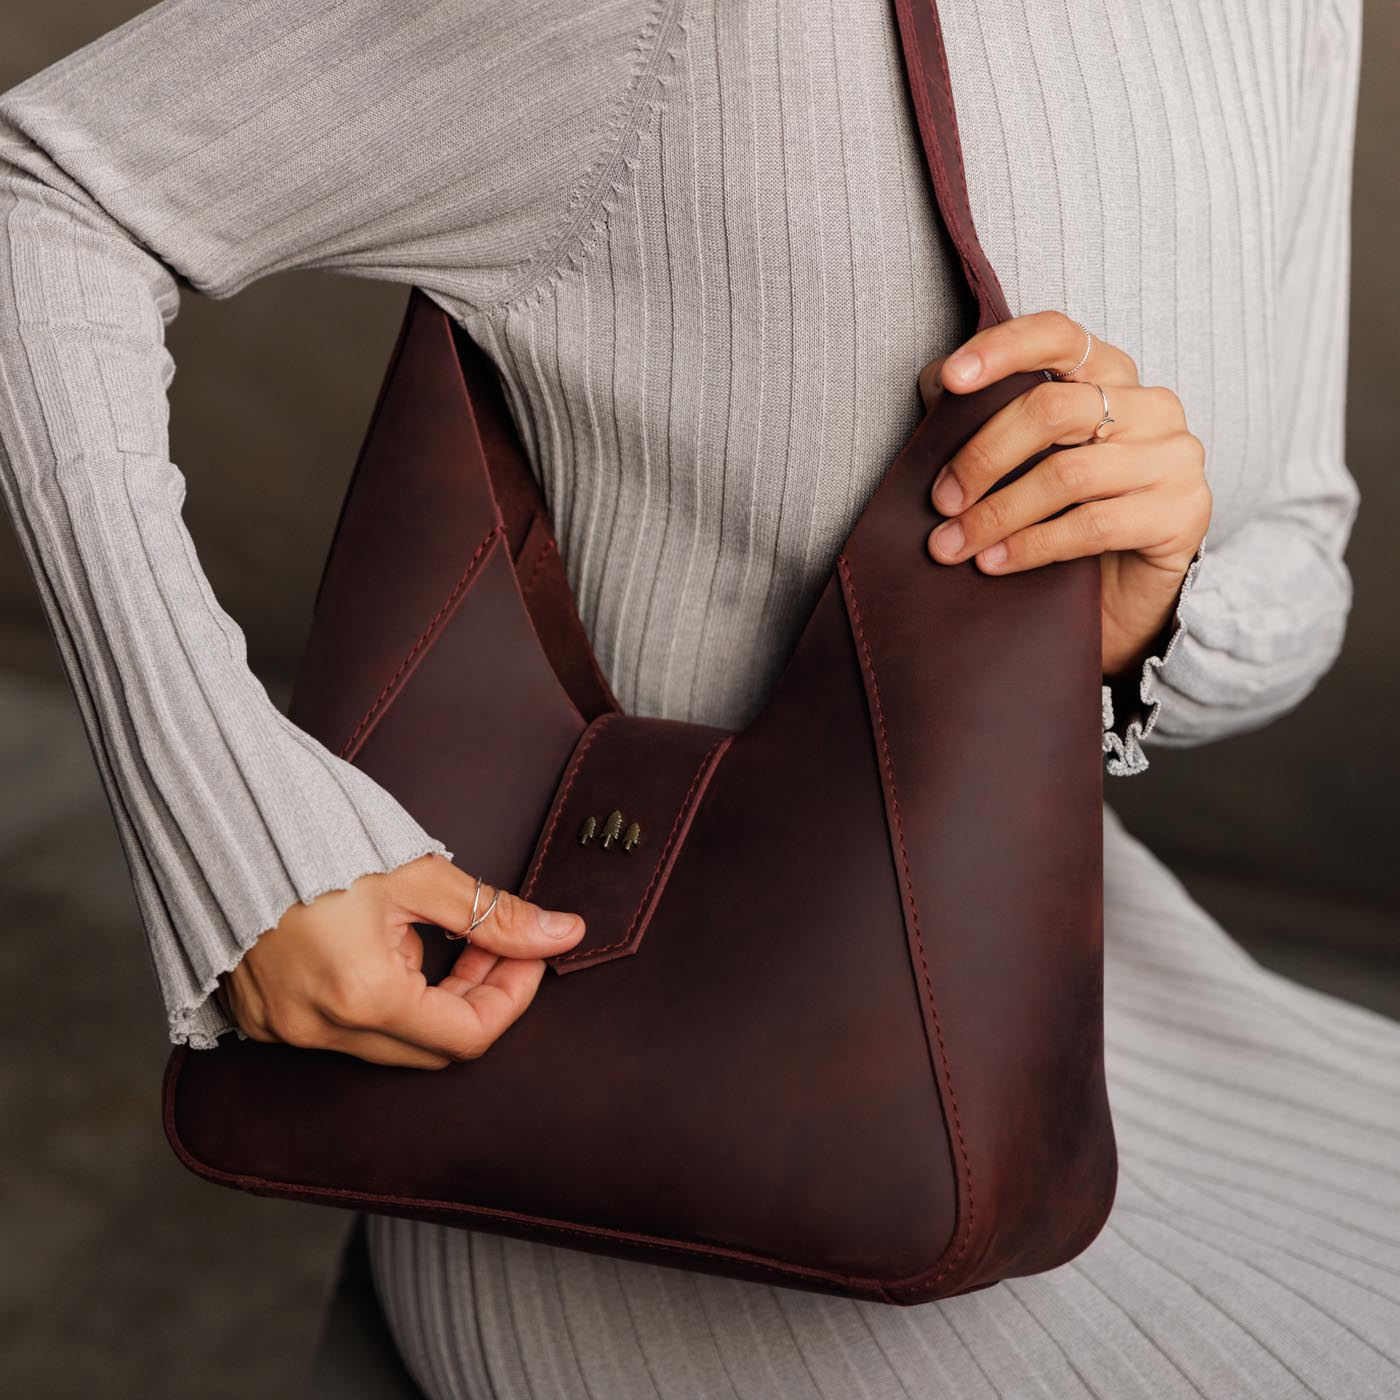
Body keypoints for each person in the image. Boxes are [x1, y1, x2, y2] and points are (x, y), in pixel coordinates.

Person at [2, 1, 1396, 1397]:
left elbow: (1302, 548)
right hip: (627, 1125)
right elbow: (42, 190)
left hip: (1090, 999)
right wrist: (239, 828)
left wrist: (1143, 622)